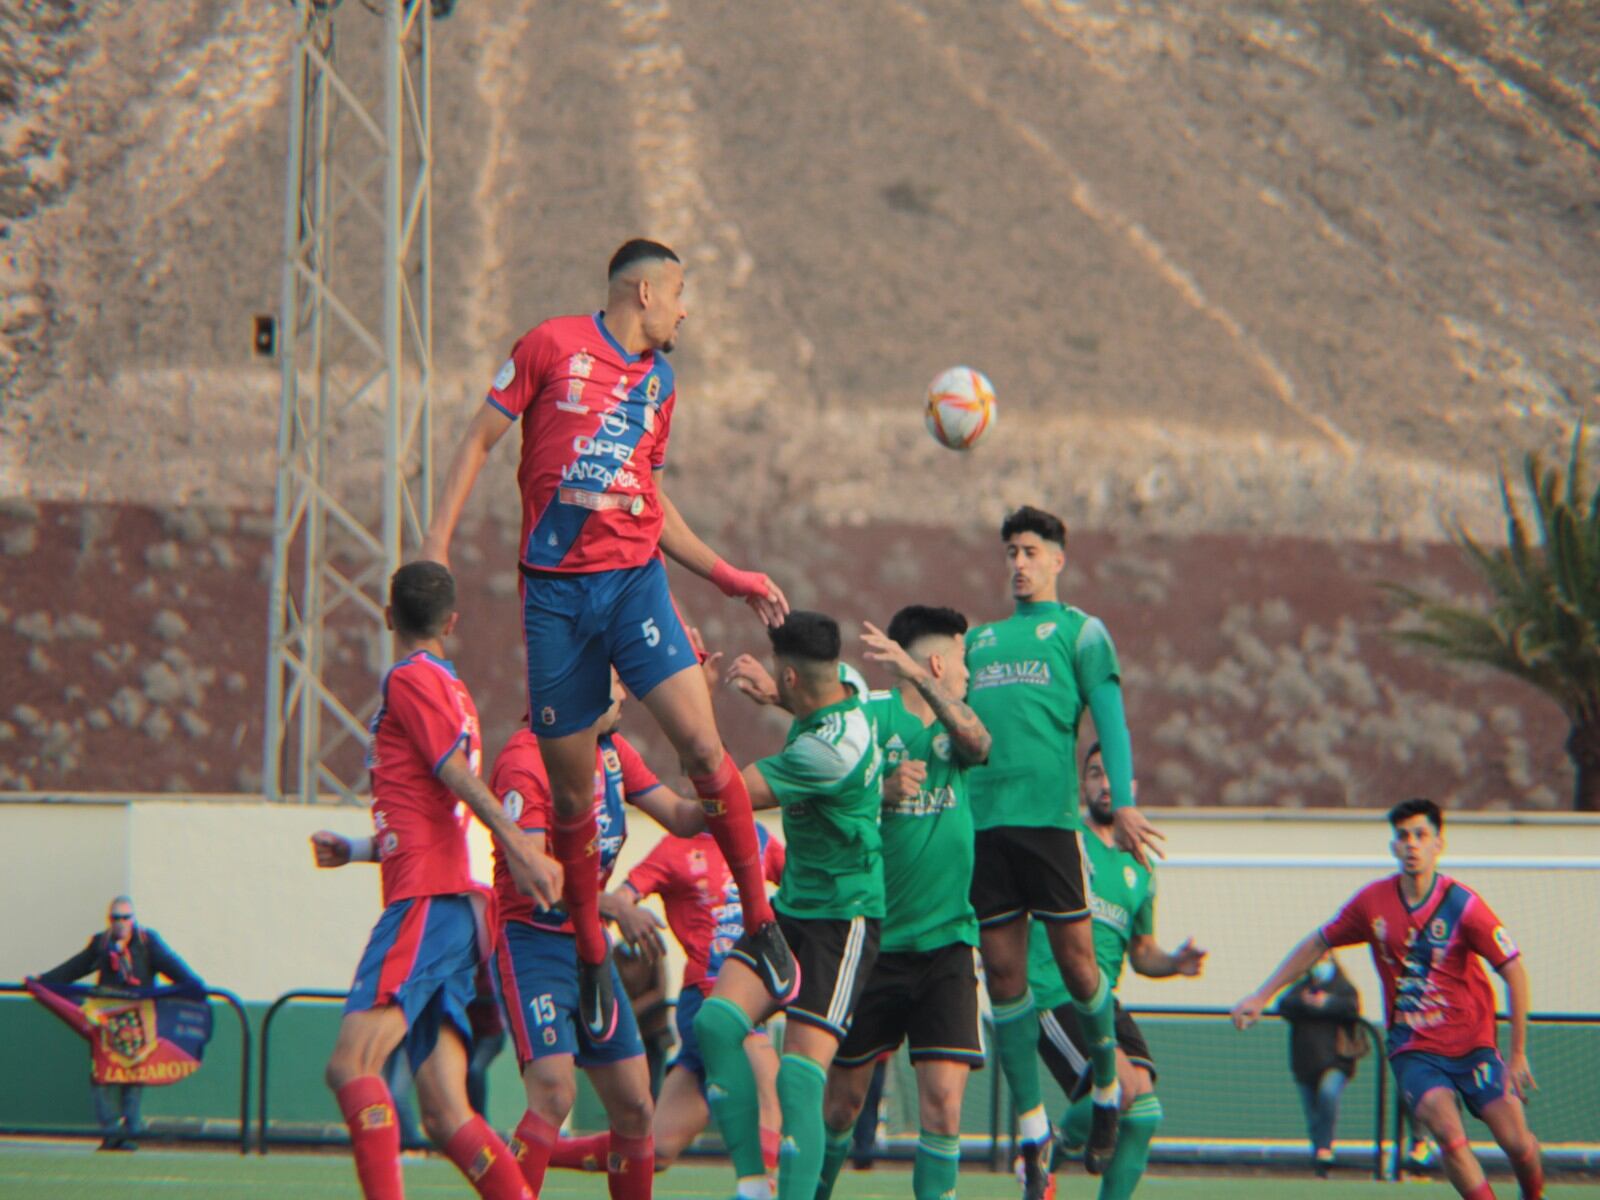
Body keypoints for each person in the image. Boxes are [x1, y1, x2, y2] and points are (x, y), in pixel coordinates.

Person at [420, 238, 796, 1044]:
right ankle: (591, 954)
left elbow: (651, 497)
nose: (686, 310)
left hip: (633, 587)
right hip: (555, 599)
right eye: (681, 294)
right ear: (646, 292)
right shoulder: (548, 345)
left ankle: (761, 927)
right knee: (570, 798)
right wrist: (436, 546)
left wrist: (727, 575)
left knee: (703, 746)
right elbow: (477, 442)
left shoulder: (661, 383)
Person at [312, 561, 561, 1200]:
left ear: (389, 615)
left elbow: (451, 772)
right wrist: (363, 848)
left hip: (428, 899)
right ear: (451, 622)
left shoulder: (409, 679)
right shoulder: (451, 686)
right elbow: (426, 801)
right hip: (446, 900)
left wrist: (519, 850)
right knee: (445, 1111)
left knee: (351, 1065)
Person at [725, 605, 991, 1200]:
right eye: (964, 658)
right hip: (872, 942)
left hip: (947, 943)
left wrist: (922, 682)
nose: (970, 671)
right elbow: (825, 730)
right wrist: (778, 698)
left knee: (943, 1107)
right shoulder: (868, 717)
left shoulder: (958, 724)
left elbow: (978, 744)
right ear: (942, 659)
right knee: (840, 1107)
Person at [962, 505, 1164, 1195]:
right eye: (1010, 552)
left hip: (1049, 825)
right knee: (1004, 980)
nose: (1017, 563)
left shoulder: (1079, 631)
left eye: (1030, 551)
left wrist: (1127, 799)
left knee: (1082, 970)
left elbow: (1107, 712)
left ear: (1057, 560)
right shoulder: (979, 641)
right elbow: (953, 723)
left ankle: (1105, 1088)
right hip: (986, 828)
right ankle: (1030, 1129)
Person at [1232, 798, 1545, 1200]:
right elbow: (1318, 941)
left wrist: (1517, 1053)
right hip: (1414, 1049)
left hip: (1474, 1046)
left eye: (1421, 835)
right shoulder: (1372, 903)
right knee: (1449, 1135)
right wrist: (1262, 994)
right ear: (1392, 846)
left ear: (1438, 844)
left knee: (1517, 1142)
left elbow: (1514, 971)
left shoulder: (1463, 906)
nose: (1412, 844)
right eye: (1403, 836)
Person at [487, 670, 709, 1200]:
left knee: (636, 1105)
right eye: (612, 683)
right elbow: (532, 875)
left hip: (588, 942)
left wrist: (737, 796)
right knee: (553, 1093)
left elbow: (680, 815)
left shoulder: (612, 751)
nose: (625, 694)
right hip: (534, 940)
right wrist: (611, 904)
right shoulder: (524, 761)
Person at [695, 611, 885, 1200]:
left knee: (803, 1079)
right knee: (716, 1022)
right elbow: (820, 692)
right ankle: (755, 1186)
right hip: (796, 907)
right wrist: (777, 694)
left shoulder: (826, 756)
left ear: (795, 679)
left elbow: (723, 794)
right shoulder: (846, 685)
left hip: (844, 918)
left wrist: (694, 706)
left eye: (783, 677)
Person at [546, 818, 787, 1178]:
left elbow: (803, 887)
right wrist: (625, 910)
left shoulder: (759, 836)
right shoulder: (674, 848)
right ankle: (759, 1190)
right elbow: (622, 898)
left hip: (741, 1001)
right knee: (767, 1087)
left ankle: (531, 1152)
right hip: (710, 994)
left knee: (653, 1150)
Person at [1029, 744, 1206, 1200]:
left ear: (1134, 787)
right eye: (1094, 774)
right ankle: (1046, 1147)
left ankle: (1046, 1145)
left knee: (1145, 1112)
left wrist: (1174, 963)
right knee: (1126, 1089)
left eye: (1115, 776)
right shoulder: (1065, 838)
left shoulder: (1139, 867)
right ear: (1082, 785)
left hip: (1103, 997)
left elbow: (1142, 952)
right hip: (1055, 991)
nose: (1105, 784)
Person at [39, 896, 205, 1150]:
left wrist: (194, 986)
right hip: (107, 1024)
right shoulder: (101, 944)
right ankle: (111, 1132)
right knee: (102, 1077)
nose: (121, 923)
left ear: (133, 919)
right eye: (116, 918)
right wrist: (42, 981)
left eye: (125, 917)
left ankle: (131, 1134)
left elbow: (176, 969)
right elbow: (74, 968)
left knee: (134, 1077)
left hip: (140, 1024)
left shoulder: (148, 943)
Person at [1277, 950, 1363, 1177]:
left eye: (1324, 959)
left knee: (1327, 1094)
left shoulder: (1344, 988)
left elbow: (1351, 1008)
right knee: (1312, 1112)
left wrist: (1327, 1003)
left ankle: (1325, 1148)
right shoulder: (1301, 987)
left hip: (1336, 1060)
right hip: (1304, 1062)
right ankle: (1320, 1161)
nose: (1319, 965)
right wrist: (1304, 1002)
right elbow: (1283, 1004)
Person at [616, 942, 673, 1098]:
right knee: (625, 1091)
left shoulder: (654, 951)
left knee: (652, 1089)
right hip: (627, 1034)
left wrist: (630, 1010)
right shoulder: (615, 954)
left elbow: (660, 991)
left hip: (654, 1033)